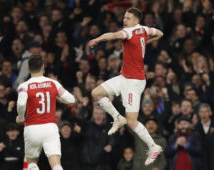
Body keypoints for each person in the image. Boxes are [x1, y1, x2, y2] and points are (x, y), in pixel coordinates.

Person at [88, 7, 163, 165]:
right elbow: (160, 34)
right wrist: (146, 42)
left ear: (135, 20)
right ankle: (116, 117)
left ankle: (153, 146)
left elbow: (113, 35)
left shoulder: (128, 32)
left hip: (133, 83)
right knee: (96, 93)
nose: (125, 20)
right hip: (124, 77)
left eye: (128, 18)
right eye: (125, 17)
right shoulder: (144, 29)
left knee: (132, 122)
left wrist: (97, 39)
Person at [16, 55, 75, 170]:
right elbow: (71, 100)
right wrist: (60, 99)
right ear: (43, 67)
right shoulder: (53, 83)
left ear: (28, 69)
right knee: (56, 164)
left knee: (32, 162)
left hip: (32, 128)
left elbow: (21, 104)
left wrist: (21, 117)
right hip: (50, 127)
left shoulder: (24, 86)